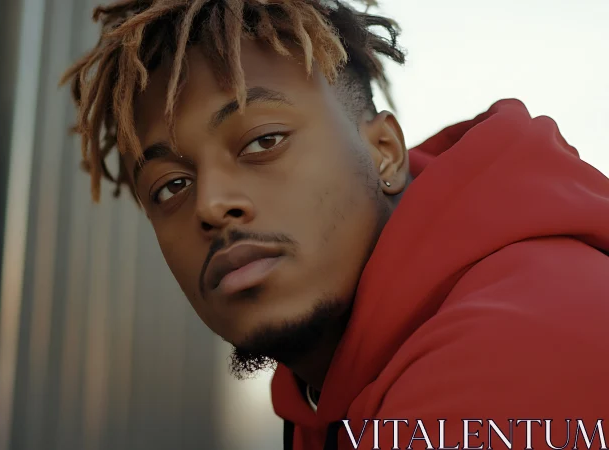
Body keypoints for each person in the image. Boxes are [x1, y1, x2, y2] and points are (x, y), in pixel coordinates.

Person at [62, 1, 609, 449]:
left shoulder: (507, 352)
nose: (210, 204)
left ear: (385, 153)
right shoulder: (334, 391)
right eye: (170, 186)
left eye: (262, 142)